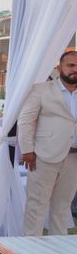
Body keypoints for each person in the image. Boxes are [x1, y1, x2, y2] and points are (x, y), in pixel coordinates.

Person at [19, 48, 77, 236]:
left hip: (74, 159)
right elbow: (26, 120)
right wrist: (27, 150)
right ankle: (29, 250)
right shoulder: (41, 89)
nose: (75, 69)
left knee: (62, 206)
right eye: (71, 65)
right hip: (43, 156)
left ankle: (56, 251)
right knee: (36, 204)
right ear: (60, 67)